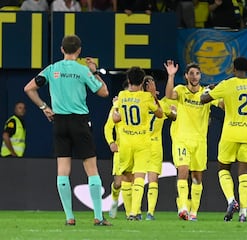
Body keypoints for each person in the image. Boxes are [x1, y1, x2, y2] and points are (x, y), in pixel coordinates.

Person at [23, 35, 112, 226]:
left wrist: (43, 107)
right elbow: (104, 92)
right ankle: (98, 216)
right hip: (79, 122)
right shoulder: (83, 70)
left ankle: (69, 217)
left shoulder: (52, 69)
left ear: (62, 50)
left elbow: (29, 88)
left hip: (60, 122)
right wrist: (94, 71)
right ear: (79, 51)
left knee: (62, 171)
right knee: (91, 169)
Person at [200, 56, 247, 222]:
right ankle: (244, 213)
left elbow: (204, 100)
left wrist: (209, 90)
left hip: (230, 134)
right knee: (244, 172)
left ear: (233, 69)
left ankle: (231, 200)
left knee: (223, 168)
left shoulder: (227, 84)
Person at [164, 60, 221, 221]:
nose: (194, 76)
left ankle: (193, 212)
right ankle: (182, 207)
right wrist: (170, 76)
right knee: (183, 171)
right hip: (182, 139)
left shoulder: (206, 94)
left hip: (200, 141)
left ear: (200, 76)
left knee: (197, 177)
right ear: (186, 76)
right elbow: (169, 95)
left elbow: (222, 104)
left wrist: (223, 92)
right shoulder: (180, 90)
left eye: (197, 73)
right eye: (191, 73)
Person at [112, 67, 163, 221]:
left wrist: (115, 106)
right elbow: (160, 113)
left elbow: (115, 119)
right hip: (142, 142)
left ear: (128, 81)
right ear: (142, 82)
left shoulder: (122, 95)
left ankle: (129, 213)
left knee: (127, 178)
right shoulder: (146, 98)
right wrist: (153, 96)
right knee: (140, 176)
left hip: (126, 143)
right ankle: (135, 212)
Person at [143, 75, 176, 220]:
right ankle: (149, 212)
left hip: (141, 143)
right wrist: (174, 111)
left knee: (138, 178)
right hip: (152, 144)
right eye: (152, 85)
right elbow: (173, 116)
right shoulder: (161, 103)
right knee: (151, 179)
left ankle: (136, 212)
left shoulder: (138, 102)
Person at [106, 80, 130, 219]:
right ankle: (114, 200)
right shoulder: (117, 107)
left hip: (136, 148)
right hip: (121, 150)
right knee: (118, 183)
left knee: (133, 181)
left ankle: (132, 212)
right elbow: (108, 127)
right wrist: (111, 142)